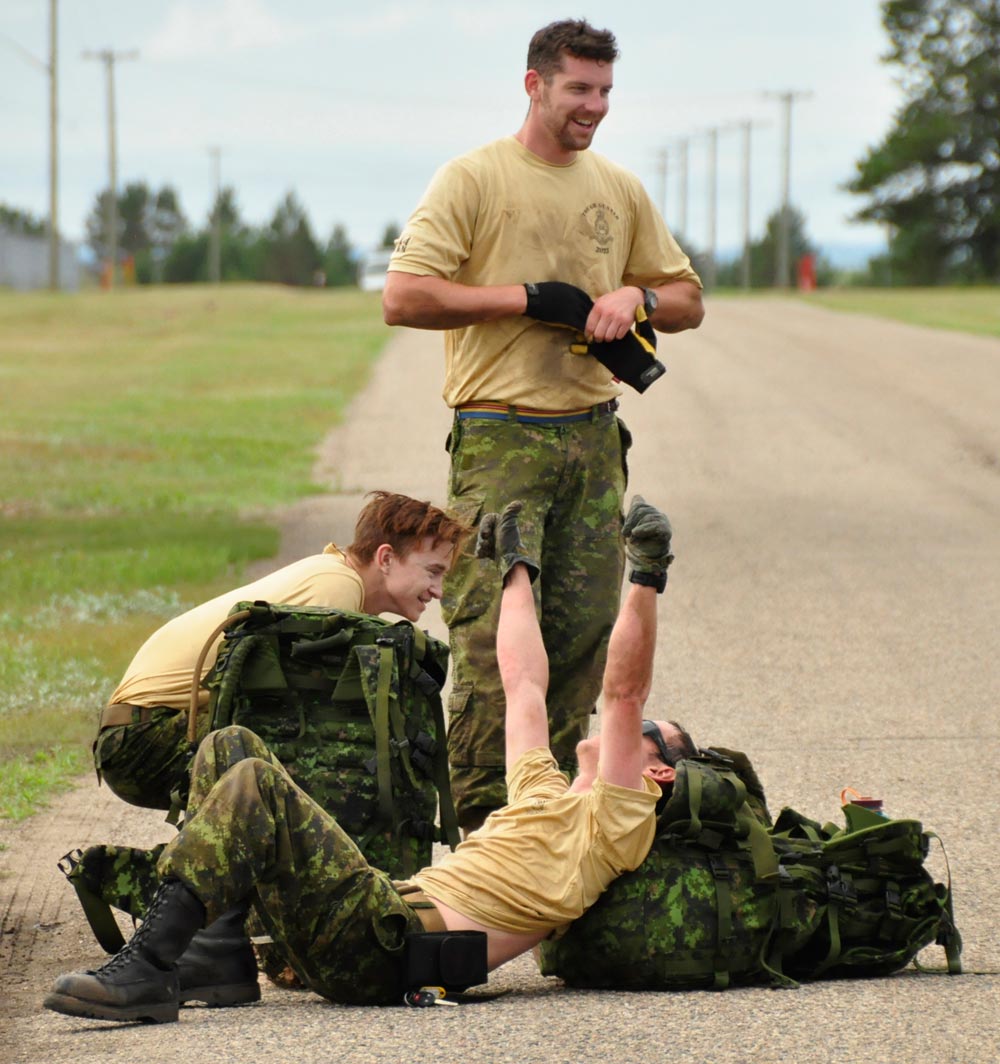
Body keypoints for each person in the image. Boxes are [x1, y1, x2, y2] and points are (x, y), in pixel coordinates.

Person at [44, 495, 696, 1023]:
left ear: (657, 773)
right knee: (229, 746)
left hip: (392, 947)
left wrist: (645, 576)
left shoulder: (613, 826)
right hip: (375, 921)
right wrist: (517, 571)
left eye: (647, 732)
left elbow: (622, 691)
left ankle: (149, 967)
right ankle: (215, 955)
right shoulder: (543, 797)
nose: (629, 724)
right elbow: (523, 683)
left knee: (253, 783)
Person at [381, 18, 704, 832]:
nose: (593, 106)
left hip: (594, 438)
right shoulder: (475, 179)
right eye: (578, 90)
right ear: (535, 84)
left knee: (580, 641)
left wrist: (639, 298)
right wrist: (531, 298)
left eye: (604, 91)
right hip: (500, 438)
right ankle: (483, 842)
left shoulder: (618, 188)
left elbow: (690, 297)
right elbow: (405, 296)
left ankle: (554, 831)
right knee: (495, 651)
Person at [93, 490, 470, 813]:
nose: (438, 590)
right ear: (386, 558)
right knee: (325, 758)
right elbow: (302, 724)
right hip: (142, 742)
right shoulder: (336, 590)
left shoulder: (334, 576)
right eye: (432, 571)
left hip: (143, 732)